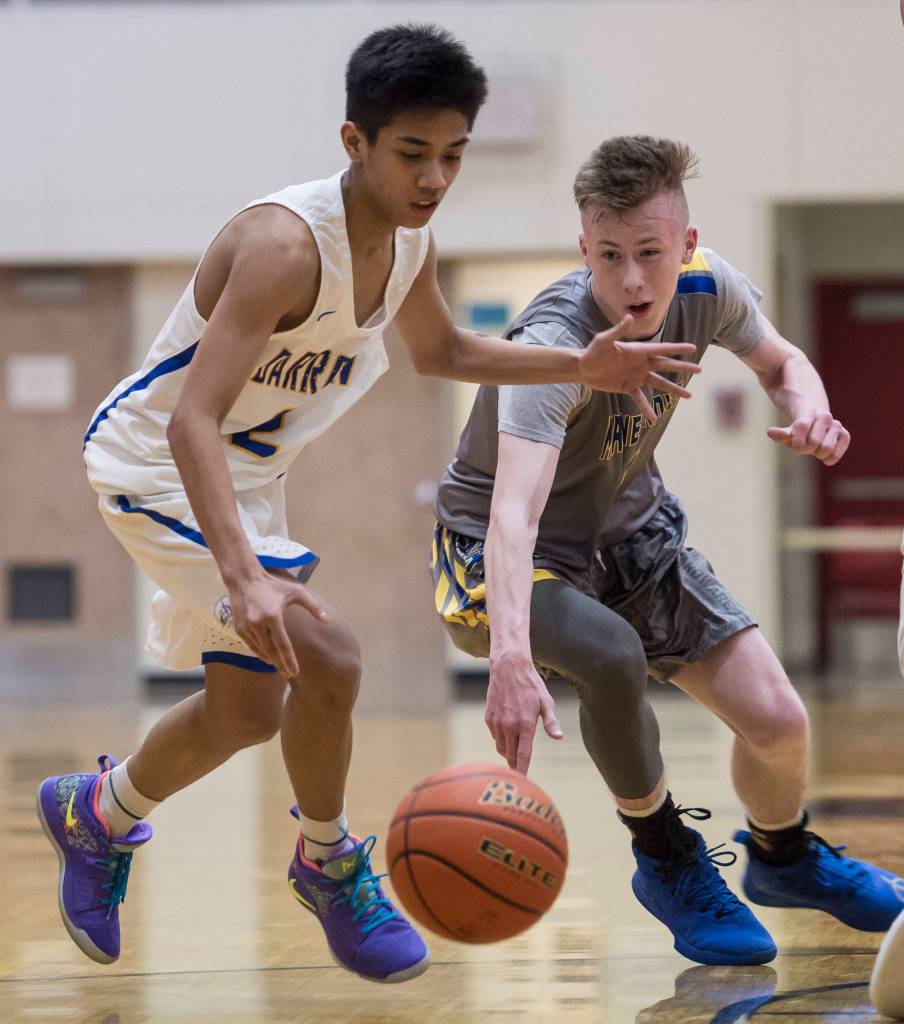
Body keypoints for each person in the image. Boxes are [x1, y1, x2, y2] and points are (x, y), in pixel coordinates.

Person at [35, 32, 701, 984]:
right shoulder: (279, 246)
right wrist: (242, 575)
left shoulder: (411, 244)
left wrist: (579, 362)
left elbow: (446, 356)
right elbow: (192, 420)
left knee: (246, 709)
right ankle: (330, 861)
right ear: (355, 140)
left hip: (244, 477)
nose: (435, 177)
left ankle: (96, 815)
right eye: (412, 153)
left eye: (454, 154)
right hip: (157, 464)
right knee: (328, 652)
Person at [432, 134, 904, 966]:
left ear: (685, 247)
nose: (633, 279)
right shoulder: (554, 342)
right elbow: (514, 513)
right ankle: (665, 856)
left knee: (779, 722)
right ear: (584, 250)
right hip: (502, 553)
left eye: (650, 253)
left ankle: (783, 855)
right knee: (610, 653)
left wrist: (814, 408)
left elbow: (782, 361)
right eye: (610, 256)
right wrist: (509, 654)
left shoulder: (709, 285)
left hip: (632, 528)